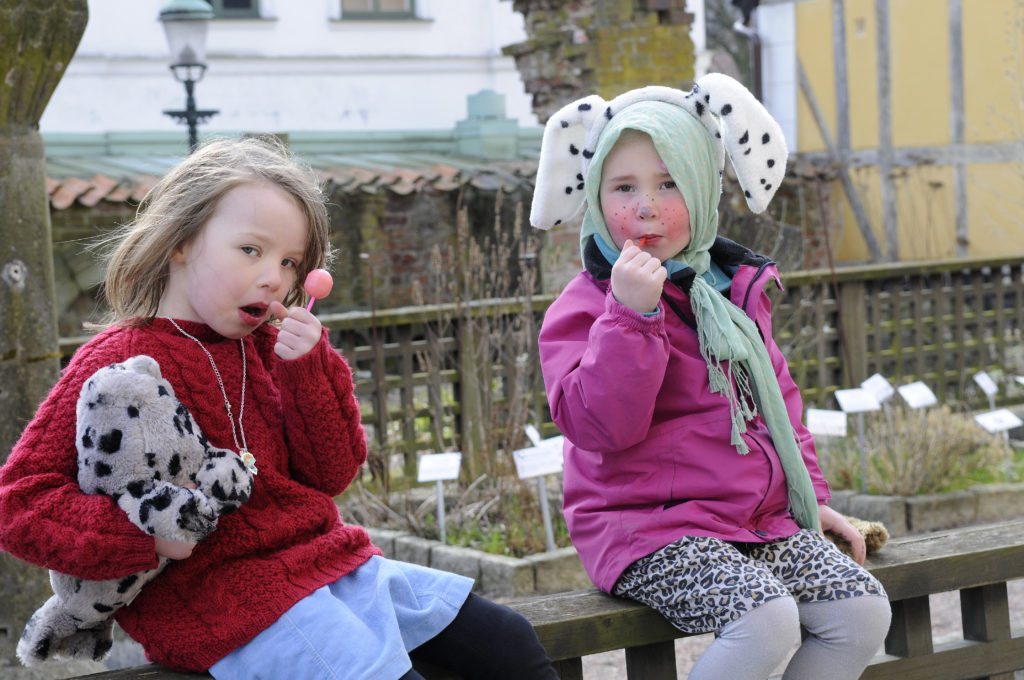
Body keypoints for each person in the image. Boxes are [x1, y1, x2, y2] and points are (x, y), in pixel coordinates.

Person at [0, 137, 558, 680]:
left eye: (291, 262)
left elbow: (332, 474)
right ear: (181, 241)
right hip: (221, 606)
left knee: (510, 642)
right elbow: (18, 503)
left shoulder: (274, 350)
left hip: (329, 568)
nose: (276, 277)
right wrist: (145, 535)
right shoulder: (117, 359)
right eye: (251, 250)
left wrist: (308, 370)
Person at [532, 74, 891, 679]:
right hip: (647, 527)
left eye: (669, 182)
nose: (645, 205)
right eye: (624, 187)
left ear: (702, 190)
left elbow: (778, 404)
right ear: (595, 200)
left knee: (861, 610)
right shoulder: (588, 305)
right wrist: (632, 316)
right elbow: (598, 426)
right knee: (767, 619)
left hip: (753, 522)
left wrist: (812, 504)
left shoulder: (730, 292)